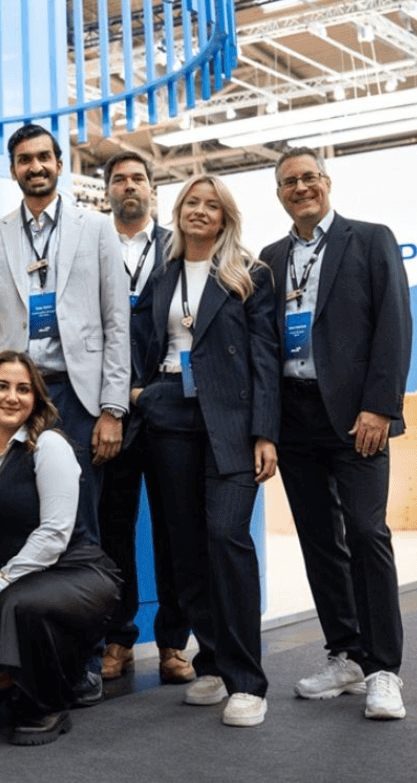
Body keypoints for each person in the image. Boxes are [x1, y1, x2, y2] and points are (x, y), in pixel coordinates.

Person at [0, 121, 130, 704]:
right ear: (12, 170)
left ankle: (84, 656)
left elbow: (116, 322)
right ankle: (19, 649)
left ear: (60, 164)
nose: (35, 166)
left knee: (80, 531)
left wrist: (112, 408)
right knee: (15, 522)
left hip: (79, 401)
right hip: (14, 399)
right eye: (24, 159)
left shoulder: (97, 229)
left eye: (44, 157)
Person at [259, 149, 410, 720]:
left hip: (355, 417)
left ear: (327, 183)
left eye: (309, 178)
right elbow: (266, 347)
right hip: (296, 418)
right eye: (289, 182)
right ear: (279, 195)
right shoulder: (272, 259)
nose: (300, 188)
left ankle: (384, 669)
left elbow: (393, 324)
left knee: (368, 533)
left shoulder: (370, 240)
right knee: (320, 540)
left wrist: (380, 407)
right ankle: (345, 653)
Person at [130, 175, 280, 728]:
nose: (199, 211)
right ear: (177, 212)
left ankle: (247, 681)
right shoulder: (164, 275)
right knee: (187, 548)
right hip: (170, 413)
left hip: (233, 423)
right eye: (191, 203)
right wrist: (141, 393)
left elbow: (265, 356)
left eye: (210, 205)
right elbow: (142, 336)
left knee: (226, 539)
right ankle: (212, 663)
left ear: (225, 218)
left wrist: (266, 432)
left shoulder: (249, 275)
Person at [0, 352, 121, 746]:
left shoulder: (48, 445)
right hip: (13, 578)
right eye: (2, 386)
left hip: (77, 572)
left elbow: (55, 534)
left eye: (23, 389)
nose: (12, 397)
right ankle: (32, 680)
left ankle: (48, 704)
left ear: (36, 399)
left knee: (17, 604)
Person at [96, 152, 194, 685]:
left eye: (137, 178)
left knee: (174, 527)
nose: (128, 186)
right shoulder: (92, 246)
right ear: (106, 190)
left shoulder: (177, 247)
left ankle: (174, 643)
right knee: (112, 530)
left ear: (153, 190)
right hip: (110, 409)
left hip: (168, 404)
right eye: (118, 180)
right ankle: (118, 638)